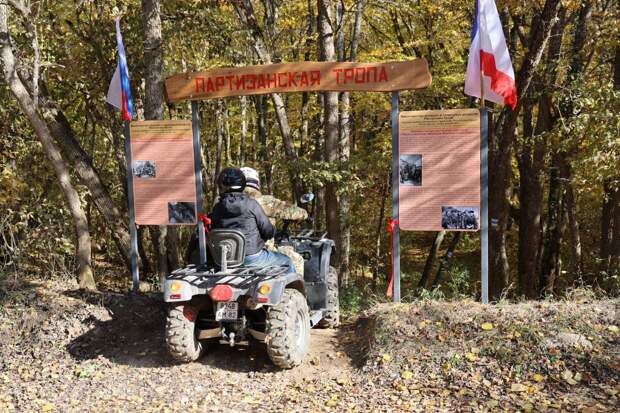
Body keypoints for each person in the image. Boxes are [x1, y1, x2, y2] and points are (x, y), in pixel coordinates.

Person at [210, 167, 295, 273]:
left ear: (221, 185)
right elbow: (267, 231)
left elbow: (213, 231)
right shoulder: (251, 204)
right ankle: (292, 289)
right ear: (242, 183)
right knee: (287, 261)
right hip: (252, 258)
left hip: (224, 258)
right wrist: (273, 231)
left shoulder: (217, 207)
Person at [240, 167, 307, 275]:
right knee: (296, 259)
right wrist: (304, 214)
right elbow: (296, 212)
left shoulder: (223, 202)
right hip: (260, 254)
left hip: (227, 257)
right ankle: (293, 290)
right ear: (256, 182)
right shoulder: (266, 202)